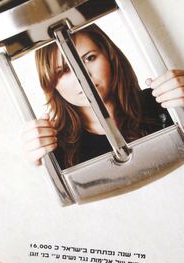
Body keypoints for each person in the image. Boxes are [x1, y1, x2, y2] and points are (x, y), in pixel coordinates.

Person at [23, 24, 184, 169]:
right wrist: (39, 163)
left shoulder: (162, 101)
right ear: (51, 83)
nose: (82, 77)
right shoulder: (55, 145)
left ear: (110, 57)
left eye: (89, 58)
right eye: (64, 70)